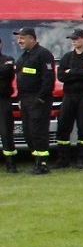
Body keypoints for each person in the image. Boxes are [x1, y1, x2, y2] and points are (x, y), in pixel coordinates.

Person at [55, 28, 83, 168]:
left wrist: (71, 72)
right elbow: (61, 76)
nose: (74, 41)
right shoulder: (67, 57)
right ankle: (63, 159)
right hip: (69, 96)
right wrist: (79, 72)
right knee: (63, 126)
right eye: (72, 39)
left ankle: (81, 158)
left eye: (76, 38)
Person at [12, 27, 54, 174]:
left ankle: (43, 164)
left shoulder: (43, 54)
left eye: (22, 38)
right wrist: (19, 99)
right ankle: (36, 161)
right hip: (25, 100)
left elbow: (48, 79)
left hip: (38, 99)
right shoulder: (24, 56)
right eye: (18, 38)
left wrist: (41, 98)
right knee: (28, 131)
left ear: (31, 38)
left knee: (38, 131)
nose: (19, 41)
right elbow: (21, 79)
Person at [0, 48, 14, 173]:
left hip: (3, 100)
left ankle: (10, 163)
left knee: (6, 132)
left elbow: (6, 70)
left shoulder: (8, 59)